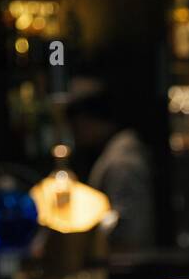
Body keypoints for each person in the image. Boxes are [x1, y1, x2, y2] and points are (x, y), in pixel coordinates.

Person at [64, 79, 156, 252]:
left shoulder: (122, 162)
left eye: (75, 126)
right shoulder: (117, 154)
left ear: (86, 120)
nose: (74, 134)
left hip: (126, 261)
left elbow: (129, 231)